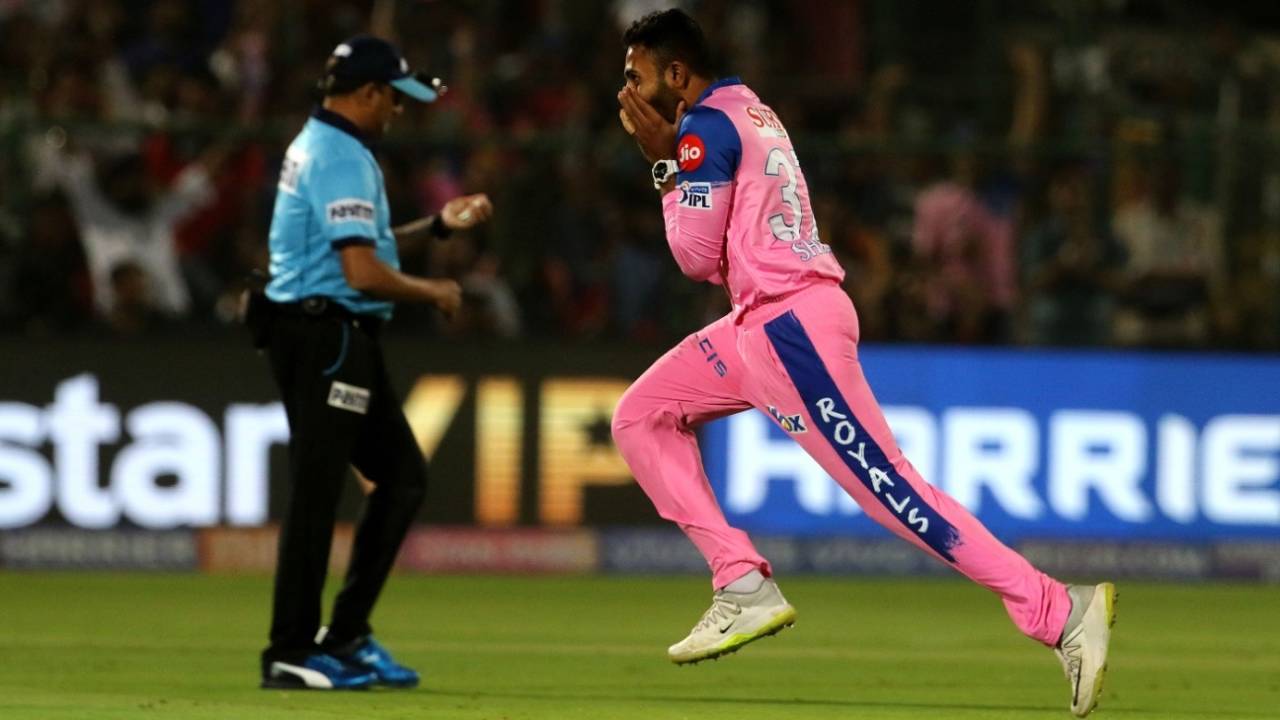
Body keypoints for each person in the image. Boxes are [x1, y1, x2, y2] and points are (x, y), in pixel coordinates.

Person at [612, 10, 1115, 718]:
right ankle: (740, 582)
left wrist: (662, 163)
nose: (623, 91)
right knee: (642, 414)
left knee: (897, 497)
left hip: (790, 330)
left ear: (674, 74)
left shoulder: (701, 132)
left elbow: (696, 258)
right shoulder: (749, 108)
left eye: (634, 75)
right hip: (759, 322)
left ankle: (1058, 609)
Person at [254, 35, 493, 690]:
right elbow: (361, 272)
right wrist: (434, 290)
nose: (397, 111)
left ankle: (348, 635)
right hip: (325, 334)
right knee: (317, 494)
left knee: (402, 478)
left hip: (331, 332)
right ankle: (290, 651)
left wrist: (437, 227)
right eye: (393, 98)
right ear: (365, 94)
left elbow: (361, 249)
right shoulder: (340, 155)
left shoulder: (325, 145)